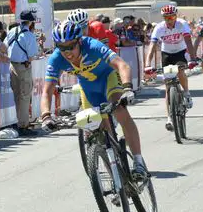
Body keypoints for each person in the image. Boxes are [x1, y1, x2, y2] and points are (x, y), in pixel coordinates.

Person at [40, 18, 148, 181]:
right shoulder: (56, 58)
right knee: (98, 132)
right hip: (89, 89)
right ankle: (117, 181)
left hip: (109, 78)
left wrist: (127, 88)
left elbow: (122, 65)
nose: (67, 51)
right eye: (62, 47)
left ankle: (139, 162)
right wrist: (46, 116)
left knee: (119, 110)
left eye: (70, 46)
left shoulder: (92, 46)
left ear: (79, 41)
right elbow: (47, 91)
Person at [148, 4, 195, 131]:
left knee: (180, 70)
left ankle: (186, 92)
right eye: (167, 18)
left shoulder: (182, 24)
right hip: (167, 54)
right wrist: (148, 64)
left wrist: (193, 58)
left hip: (180, 51)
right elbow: (152, 46)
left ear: (176, 16)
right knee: (168, 87)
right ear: (163, 18)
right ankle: (169, 117)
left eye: (172, 17)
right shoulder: (159, 28)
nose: (170, 20)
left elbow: (189, 42)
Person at [6, 10, 40, 135]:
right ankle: (23, 125)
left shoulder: (11, 31)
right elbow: (31, 55)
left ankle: (18, 121)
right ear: (30, 22)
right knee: (25, 96)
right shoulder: (29, 35)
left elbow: (6, 47)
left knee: (17, 96)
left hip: (12, 65)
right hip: (24, 66)